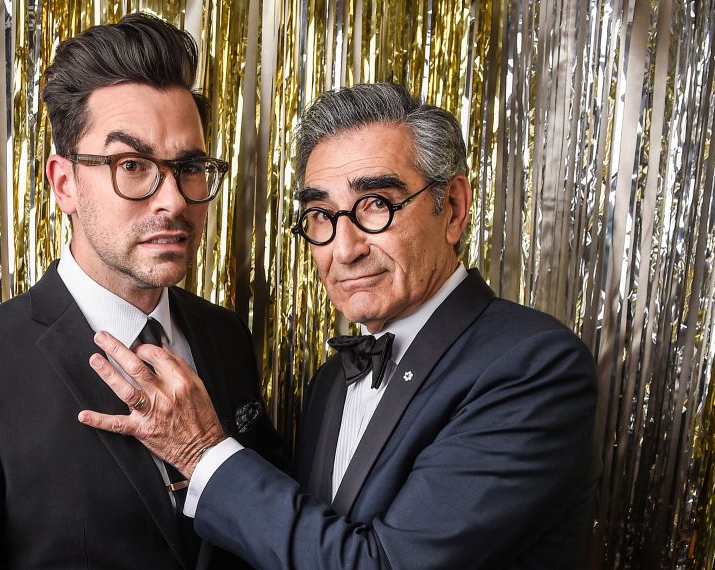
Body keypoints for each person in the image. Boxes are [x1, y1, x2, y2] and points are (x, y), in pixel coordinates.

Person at [79, 82, 599, 569]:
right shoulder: (331, 381)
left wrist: (202, 453)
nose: (344, 249)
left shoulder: (532, 365)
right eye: (322, 216)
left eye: (377, 204)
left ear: (454, 208)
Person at [0, 13, 282, 569]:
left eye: (190, 166)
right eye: (132, 164)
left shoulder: (226, 338)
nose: (172, 200)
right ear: (65, 183)